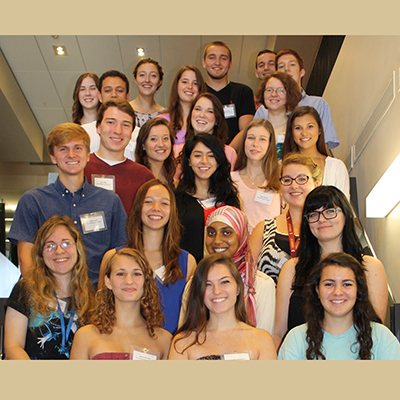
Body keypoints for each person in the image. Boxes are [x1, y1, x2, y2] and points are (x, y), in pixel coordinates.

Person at [7, 123, 127, 287]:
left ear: (88, 155)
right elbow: (26, 257)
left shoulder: (110, 201)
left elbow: (122, 254)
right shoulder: (32, 201)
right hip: (50, 301)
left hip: (98, 299)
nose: (71, 154)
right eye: (63, 149)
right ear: (53, 157)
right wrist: (42, 299)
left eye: (77, 148)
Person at [274, 185, 388, 350]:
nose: (321, 219)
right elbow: (279, 332)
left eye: (330, 211)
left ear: (346, 215)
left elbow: (376, 332)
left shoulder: (370, 267)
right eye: (314, 214)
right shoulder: (292, 268)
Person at [99, 179, 196, 334]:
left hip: (171, 352)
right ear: (138, 207)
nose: (156, 208)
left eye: (164, 203)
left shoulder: (187, 262)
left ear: (172, 211)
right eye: (149, 202)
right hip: (125, 350)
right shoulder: (113, 258)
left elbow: (191, 318)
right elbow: (103, 313)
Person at [279, 252, 400, 360]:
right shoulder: (296, 340)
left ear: (358, 290)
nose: (337, 292)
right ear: (317, 290)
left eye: (347, 284)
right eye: (329, 284)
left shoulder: (382, 338)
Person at [4, 215, 94, 359]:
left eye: (66, 243)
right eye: (50, 245)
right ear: (41, 253)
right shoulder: (25, 290)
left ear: (77, 248)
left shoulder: (90, 296)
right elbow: (13, 347)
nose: (59, 251)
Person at [168, 254, 277, 360]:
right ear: (199, 292)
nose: (217, 291)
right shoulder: (182, 343)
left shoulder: (262, 340)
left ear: (238, 288)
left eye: (224, 282)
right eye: (208, 284)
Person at [70, 248, 172, 360]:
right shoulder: (85, 336)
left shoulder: (164, 340)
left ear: (146, 281)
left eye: (136, 274)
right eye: (120, 274)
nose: (129, 281)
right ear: (108, 281)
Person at [249, 153, 322, 285]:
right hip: (271, 304)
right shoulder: (263, 229)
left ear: (316, 184)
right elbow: (248, 278)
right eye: (287, 180)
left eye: (302, 179)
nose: (294, 186)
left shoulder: (326, 227)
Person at [204, 206, 276, 336]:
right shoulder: (197, 282)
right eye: (211, 233)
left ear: (241, 236)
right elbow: (187, 338)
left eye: (226, 233)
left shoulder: (261, 285)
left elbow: (263, 340)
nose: (217, 241)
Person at [254, 48, 339, 151]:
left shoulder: (318, 104)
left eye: (292, 64)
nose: (286, 69)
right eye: (281, 66)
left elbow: (324, 146)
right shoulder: (264, 110)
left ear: (302, 72)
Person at [175, 134, 240, 263]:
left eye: (210, 155)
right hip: (186, 272)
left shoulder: (230, 198)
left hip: (223, 271)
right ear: (188, 161)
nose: (204, 161)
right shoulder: (176, 199)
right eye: (198, 155)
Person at [84, 99, 155, 215]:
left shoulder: (144, 177)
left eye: (125, 125)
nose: (118, 130)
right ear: (98, 127)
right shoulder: (80, 168)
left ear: (132, 132)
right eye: (111, 122)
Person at [282, 106, 350, 199]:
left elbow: (343, 207)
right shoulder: (283, 167)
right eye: (298, 128)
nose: (304, 133)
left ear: (319, 130)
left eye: (310, 126)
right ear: (291, 132)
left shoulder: (336, 166)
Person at [231, 72, 302, 160]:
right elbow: (230, 151)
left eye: (280, 90)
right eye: (269, 90)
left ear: (290, 94)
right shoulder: (253, 128)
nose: (273, 94)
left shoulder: (296, 129)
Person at [231, 118, 281, 233]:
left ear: (270, 144)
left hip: (269, 247)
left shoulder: (279, 181)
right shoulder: (230, 179)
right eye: (251, 138)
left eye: (262, 139)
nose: (255, 144)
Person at [203, 41, 255, 144]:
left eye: (223, 58)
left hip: (233, 155)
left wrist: (228, 153)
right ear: (204, 63)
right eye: (212, 57)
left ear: (230, 64)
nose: (217, 62)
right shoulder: (197, 92)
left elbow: (245, 130)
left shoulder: (243, 92)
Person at [81, 70, 139, 160]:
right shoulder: (84, 132)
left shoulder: (139, 134)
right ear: (99, 96)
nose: (114, 94)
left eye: (119, 90)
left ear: (127, 96)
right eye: (108, 90)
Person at [159, 65, 206, 156]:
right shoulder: (162, 120)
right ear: (177, 85)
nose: (190, 87)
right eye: (185, 82)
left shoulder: (205, 120)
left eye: (195, 83)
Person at [183, 92, 237, 170]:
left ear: (217, 120)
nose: (202, 115)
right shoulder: (177, 151)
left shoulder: (229, 153)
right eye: (198, 109)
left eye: (209, 111)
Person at [135, 117, 176, 188]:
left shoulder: (173, 181)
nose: (161, 144)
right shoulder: (135, 178)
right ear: (143, 145)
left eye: (165, 138)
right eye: (153, 139)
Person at [129, 58, 166, 127]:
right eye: (142, 75)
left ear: (160, 81)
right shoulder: (125, 110)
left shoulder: (165, 114)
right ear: (135, 80)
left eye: (153, 75)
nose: (147, 80)